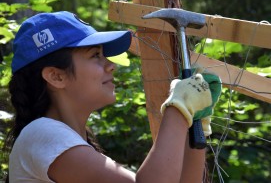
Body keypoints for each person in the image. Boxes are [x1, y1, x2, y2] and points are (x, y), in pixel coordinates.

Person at [4, 11, 219, 183]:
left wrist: (193, 119)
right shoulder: (41, 134)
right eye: (95, 55)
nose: (111, 66)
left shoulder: (68, 143)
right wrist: (178, 107)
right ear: (56, 76)